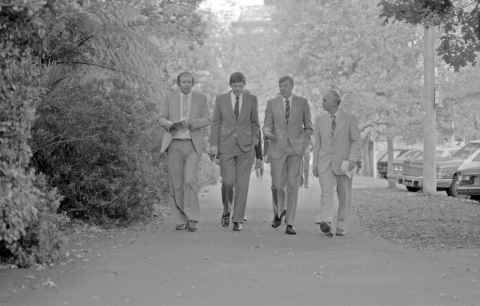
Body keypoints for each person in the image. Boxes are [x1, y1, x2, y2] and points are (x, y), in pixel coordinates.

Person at [158, 72, 210, 232]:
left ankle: (193, 218)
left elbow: (208, 119)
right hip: (174, 144)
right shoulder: (169, 97)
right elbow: (160, 118)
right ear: (178, 83)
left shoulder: (201, 98)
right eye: (183, 82)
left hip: (192, 145)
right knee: (177, 184)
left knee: (189, 180)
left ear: (192, 83)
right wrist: (170, 124)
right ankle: (180, 218)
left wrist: (192, 123)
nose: (186, 84)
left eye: (189, 82)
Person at [209, 72, 260, 231]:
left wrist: (255, 140)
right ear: (230, 85)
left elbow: (255, 122)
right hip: (226, 146)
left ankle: (238, 219)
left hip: (246, 147)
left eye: (240, 86)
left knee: (242, 184)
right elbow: (216, 123)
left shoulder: (252, 99)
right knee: (228, 182)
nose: (238, 89)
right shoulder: (221, 99)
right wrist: (214, 144)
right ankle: (226, 209)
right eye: (235, 86)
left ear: (244, 85)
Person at [263, 76, 313, 235]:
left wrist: (303, 144)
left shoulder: (302, 103)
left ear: (292, 86)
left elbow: (309, 127)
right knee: (277, 185)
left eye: (285, 86)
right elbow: (266, 125)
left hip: (295, 150)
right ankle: (280, 211)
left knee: (292, 185)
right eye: (280, 86)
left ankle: (290, 223)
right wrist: (268, 134)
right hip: (277, 148)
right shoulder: (272, 103)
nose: (282, 88)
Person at [312, 90, 361, 237]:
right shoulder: (320, 120)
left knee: (344, 195)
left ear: (335, 102)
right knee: (326, 192)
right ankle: (326, 220)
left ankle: (341, 224)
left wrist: (353, 159)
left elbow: (356, 140)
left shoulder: (349, 119)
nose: (323, 102)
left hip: (344, 163)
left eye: (325, 100)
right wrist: (314, 164)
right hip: (325, 162)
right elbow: (317, 145)